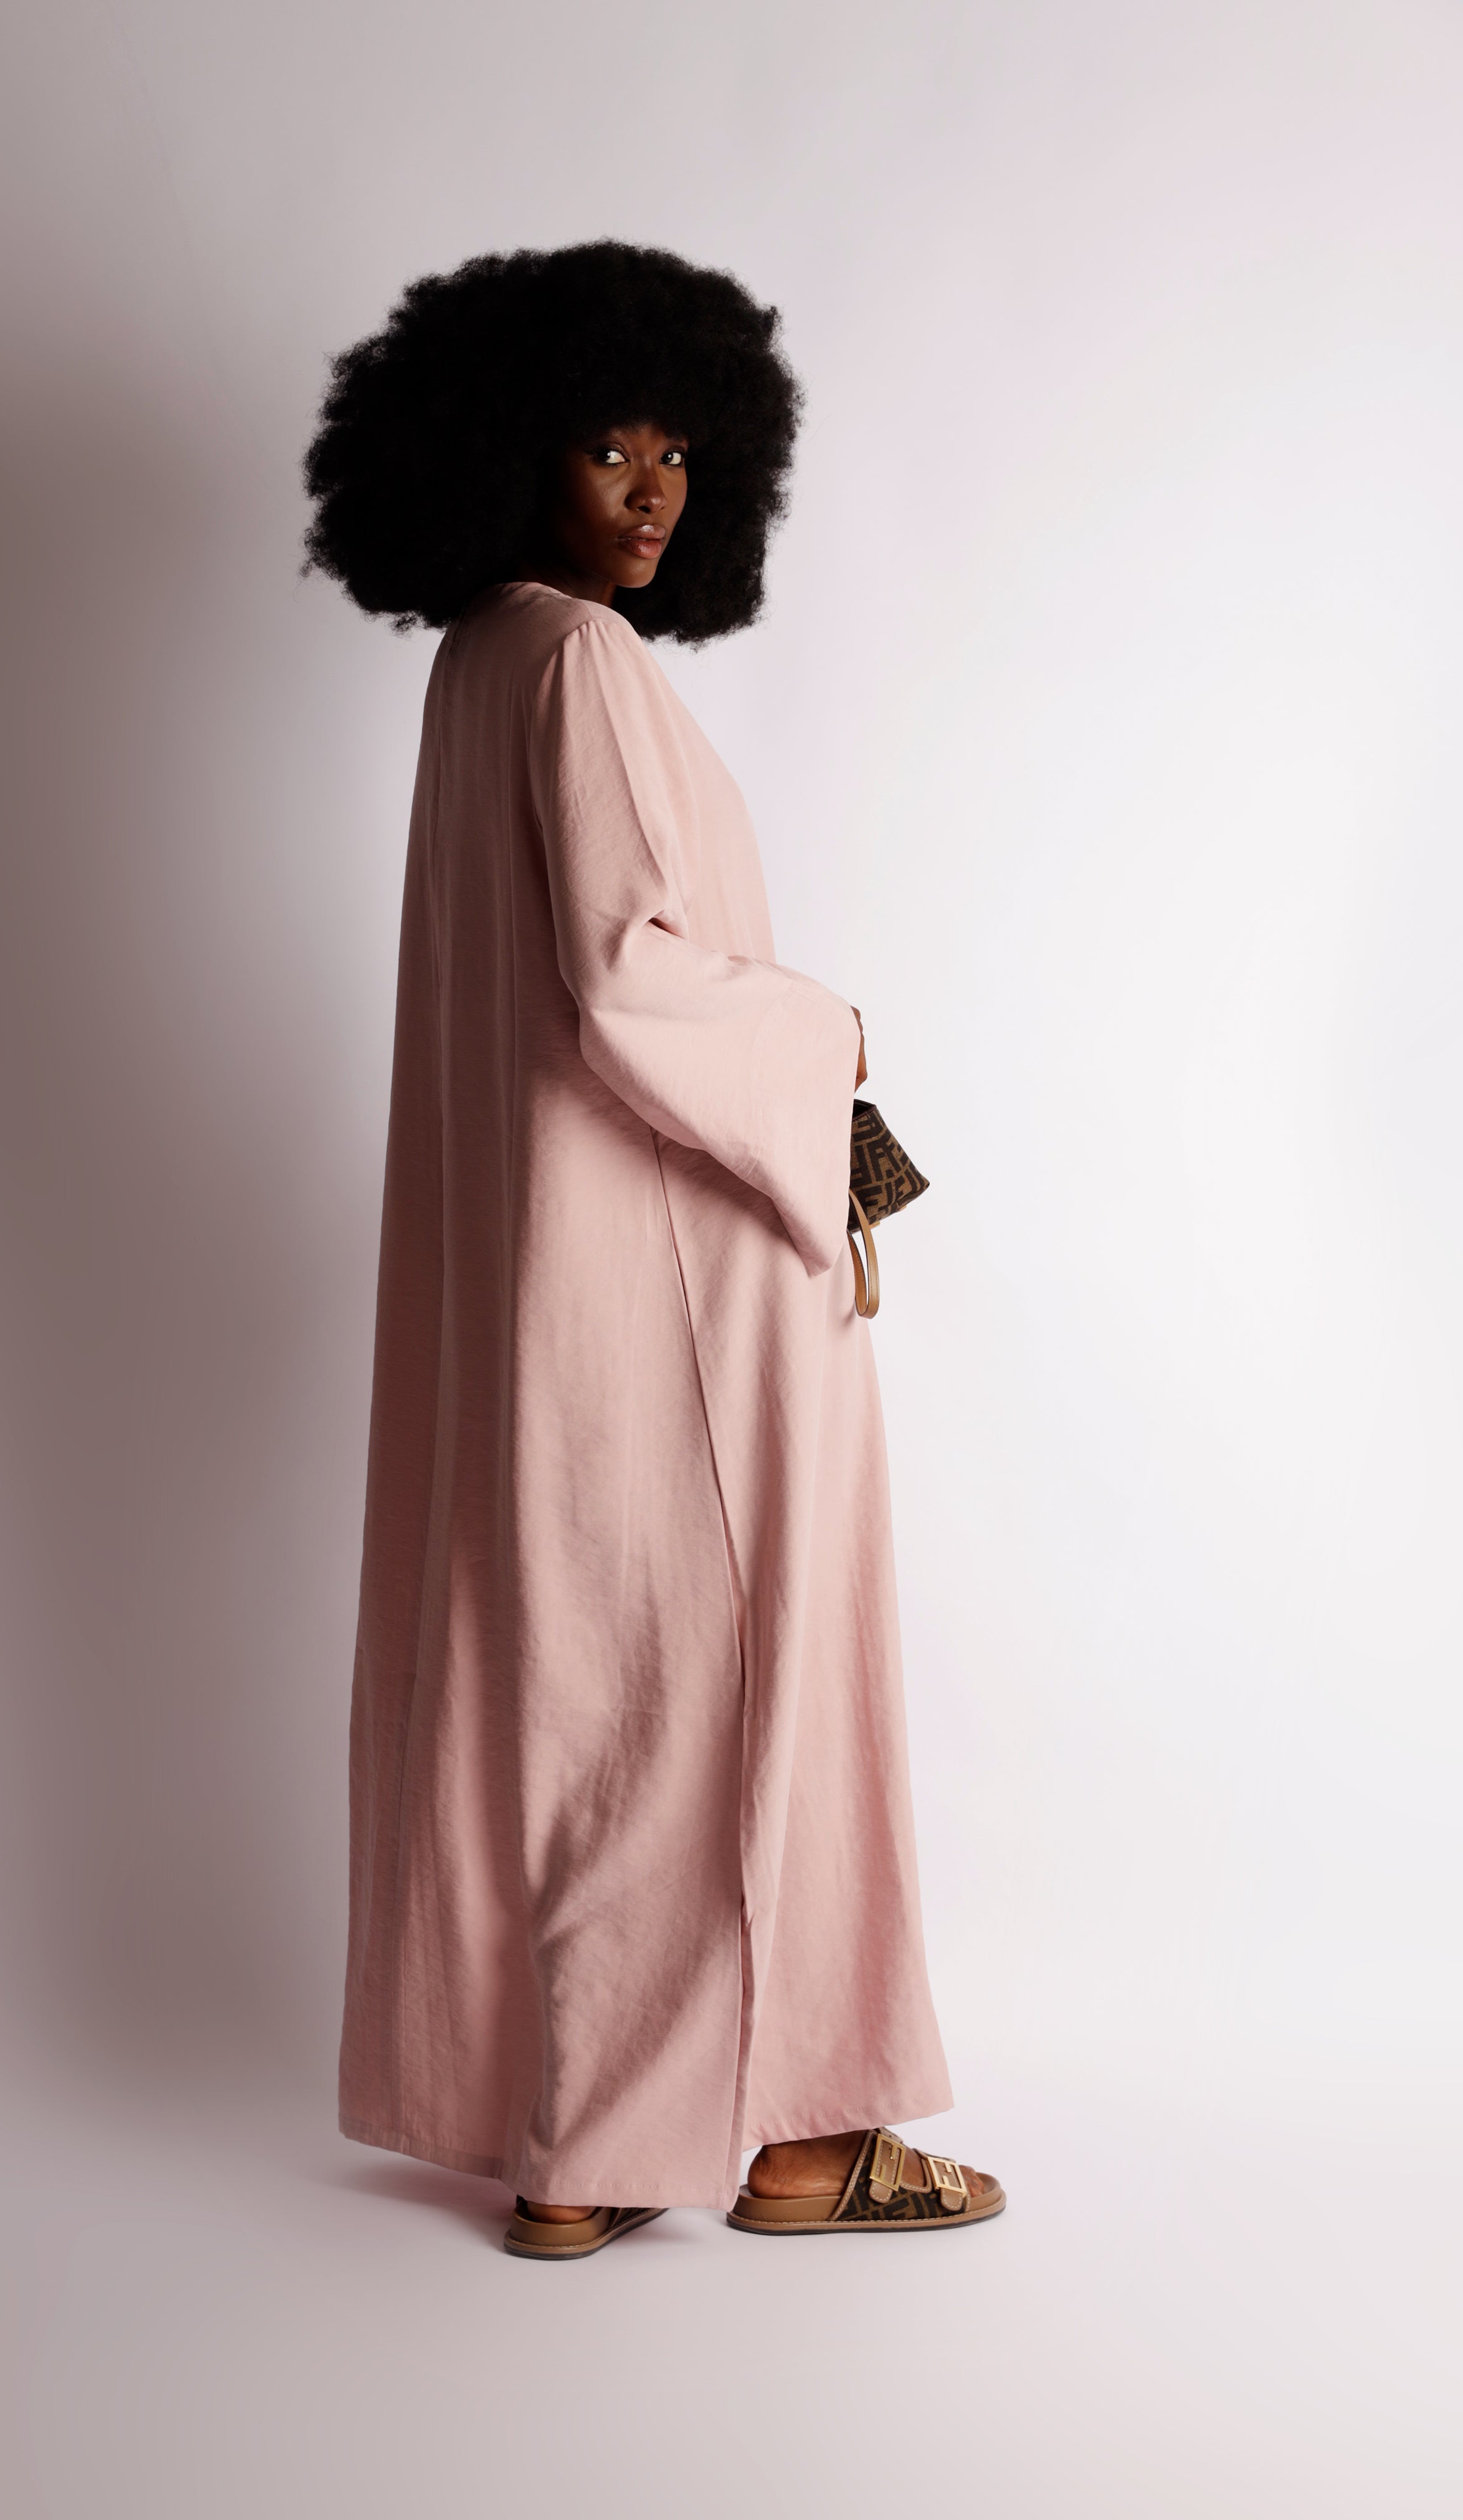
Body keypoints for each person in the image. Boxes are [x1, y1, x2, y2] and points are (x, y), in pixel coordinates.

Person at [304, 240, 1003, 2258]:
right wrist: (835, 1039)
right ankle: (798, 2144)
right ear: (507, 449)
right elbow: (628, 980)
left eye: (680, 454)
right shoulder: (580, 664)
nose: (651, 491)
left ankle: (587, 2145)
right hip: (683, 1267)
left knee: (600, 1686)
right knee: (749, 1685)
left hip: (561, 1287)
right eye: (608, 445)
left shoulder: (478, 667)